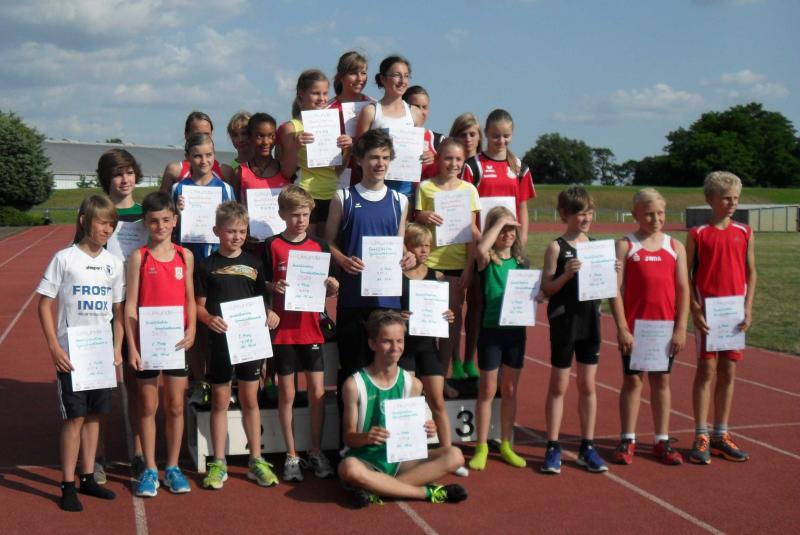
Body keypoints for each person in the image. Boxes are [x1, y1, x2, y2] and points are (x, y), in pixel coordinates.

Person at [37, 195, 124, 511]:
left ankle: (88, 477)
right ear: (85, 221)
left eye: (111, 223)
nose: (108, 229)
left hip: (100, 353)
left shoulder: (114, 264)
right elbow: (44, 305)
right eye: (102, 222)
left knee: (95, 416)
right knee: (74, 418)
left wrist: (117, 346)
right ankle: (67, 484)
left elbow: (118, 311)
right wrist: (54, 346)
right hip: (72, 353)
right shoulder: (64, 258)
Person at [338, 310, 468, 507]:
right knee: (349, 468)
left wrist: (426, 430)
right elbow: (348, 438)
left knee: (455, 455)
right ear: (372, 343)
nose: (395, 348)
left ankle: (378, 489)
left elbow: (410, 434)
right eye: (387, 341)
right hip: (366, 460)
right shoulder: (354, 385)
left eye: (399, 341)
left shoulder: (413, 384)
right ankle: (425, 492)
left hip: (400, 460)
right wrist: (367, 437)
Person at [324, 129, 414, 408]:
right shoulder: (343, 198)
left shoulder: (400, 201)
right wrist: (342, 260)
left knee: (388, 373)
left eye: (385, 157)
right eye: (374, 157)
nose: (380, 163)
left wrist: (409, 257)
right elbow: (328, 242)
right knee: (352, 372)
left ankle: (385, 431)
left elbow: (399, 243)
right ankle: (350, 433)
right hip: (353, 300)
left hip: (388, 303)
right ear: (360, 160)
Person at [195, 201, 280, 489]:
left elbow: (261, 302)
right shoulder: (206, 266)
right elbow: (198, 306)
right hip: (221, 343)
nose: (237, 237)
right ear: (216, 231)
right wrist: (209, 319)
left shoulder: (255, 264)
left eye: (242, 231)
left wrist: (269, 313)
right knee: (219, 401)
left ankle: (256, 459)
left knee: (250, 400)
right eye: (231, 231)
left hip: (250, 342)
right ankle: (218, 462)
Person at [263, 185, 339, 481]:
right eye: (295, 215)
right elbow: (262, 283)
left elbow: (328, 287)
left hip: (312, 331)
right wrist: (272, 288)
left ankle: (316, 451)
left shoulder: (319, 246)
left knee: (317, 394)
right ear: (282, 214)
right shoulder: (271, 245)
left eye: (305, 215)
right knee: (287, 393)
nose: (301, 220)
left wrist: (333, 287)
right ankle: (292, 454)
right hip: (284, 332)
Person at [609, 188, 689, 466]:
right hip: (635, 329)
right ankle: (627, 438)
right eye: (649, 214)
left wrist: (681, 328)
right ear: (636, 214)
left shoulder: (675, 247)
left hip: (664, 329)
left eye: (660, 213)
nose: (656, 219)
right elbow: (614, 289)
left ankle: (661, 440)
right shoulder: (625, 245)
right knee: (633, 381)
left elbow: (683, 290)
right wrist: (622, 327)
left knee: (661, 381)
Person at [124, 192, 197, 496]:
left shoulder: (184, 256)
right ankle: (151, 468)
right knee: (147, 405)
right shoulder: (138, 257)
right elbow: (130, 305)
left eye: (166, 220)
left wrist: (192, 328)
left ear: (175, 221)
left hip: (176, 343)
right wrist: (132, 346)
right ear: (145, 223)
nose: (160, 226)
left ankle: (173, 467)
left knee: (176, 405)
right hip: (148, 344)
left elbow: (190, 298)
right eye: (154, 221)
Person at [686, 171, 757, 464]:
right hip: (709, 312)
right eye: (726, 198)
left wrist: (748, 307)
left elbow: (751, 272)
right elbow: (686, 276)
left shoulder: (744, 232)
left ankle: (721, 434)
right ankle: (701, 434)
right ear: (710, 199)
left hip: (734, 313)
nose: (732, 203)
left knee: (729, 372)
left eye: (736, 198)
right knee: (706, 371)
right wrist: (694, 307)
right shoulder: (698, 234)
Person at [540, 187, 608, 474]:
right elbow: (547, 288)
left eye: (589, 212)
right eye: (580, 213)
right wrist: (566, 274)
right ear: (565, 215)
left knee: (588, 385)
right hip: (565, 322)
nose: (586, 218)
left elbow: (606, 290)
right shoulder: (556, 247)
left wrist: (612, 272)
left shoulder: (596, 247)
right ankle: (553, 446)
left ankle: (587, 446)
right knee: (559, 385)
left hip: (590, 321)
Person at [96, 148, 148, 481]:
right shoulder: (98, 213)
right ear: (107, 179)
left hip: (140, 307)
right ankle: (98, 454)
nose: (125, 179)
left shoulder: (147, 213)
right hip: (104, 308)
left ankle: (140, 453)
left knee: (138, 384)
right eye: (117, 174)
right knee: (100, 384)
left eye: (129, 172)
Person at [414, 138, 480, 393]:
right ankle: (427, 376)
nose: (453, 164)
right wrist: (423, 215)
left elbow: (471, 232)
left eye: (458, 159)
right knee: (427, 320)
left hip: (456, 265)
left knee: (451, 319)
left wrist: (469, 268)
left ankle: (441, 375)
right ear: (439, 159)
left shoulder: (469, 190)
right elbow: (416, 221)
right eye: (448, 158)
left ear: (464, 162)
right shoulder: (426, 187)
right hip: (429, 263)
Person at [399, 224, 465, 475]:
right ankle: (408, 455)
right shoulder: (398, 275)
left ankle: (449, 454)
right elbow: (388, 310)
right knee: (407, 402)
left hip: (427, 347)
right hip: (404, 349)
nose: (424, 250)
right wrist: (398, 316)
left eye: (427, 245)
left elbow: (443, 312)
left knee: (437, 400)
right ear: (407, 247)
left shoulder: (437, 277)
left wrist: (448, 316)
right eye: (419, 245)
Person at [468, 207, 530, 471]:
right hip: (491, 330)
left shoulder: (522, 262)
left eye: (511, 229)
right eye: (502, 229)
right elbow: (482, 248)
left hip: (515, 332)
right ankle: (481, 446)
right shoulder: (486, 259)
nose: (507, 234)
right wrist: (501, 220)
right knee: (487, 390)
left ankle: (506, 444)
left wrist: (537, 296)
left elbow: (531, 292)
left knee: (510, 390)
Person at [278, 69, 352, 235]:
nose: (322, 98)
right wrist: (296, 146)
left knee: (326, 246)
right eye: (315, 93)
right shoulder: (291, 128)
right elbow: (286, 172)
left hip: (332, 194)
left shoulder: (333, 124)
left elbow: (336, 172)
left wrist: (348, 149)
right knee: (307, 246)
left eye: (325, 93)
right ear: (301, 94)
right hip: (304, 194)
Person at [355, 55, 433, 201]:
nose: (402, 81)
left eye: (406, 76)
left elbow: (420, 147)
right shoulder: (371, 111)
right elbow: (358, 151)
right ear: (383, 79)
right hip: (374, 189)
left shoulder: (415, 113)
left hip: (405, 191)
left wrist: (427, 155)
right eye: (397, 75)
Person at [449, 113, 484, 380]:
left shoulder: (483, 164)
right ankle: (455, 360)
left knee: (477, 306)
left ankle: (470, 358)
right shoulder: (452, 167)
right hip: (455, 244)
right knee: (455, 307)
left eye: (473, 134)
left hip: (481, 243)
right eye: (463, 134)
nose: (469, 140)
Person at [234, 112, 290, 259]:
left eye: (271, 136)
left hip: (281, 246)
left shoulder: (285, 171)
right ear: (250, 138)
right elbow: (235, 209)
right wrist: (244, 234)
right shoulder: (241, 172)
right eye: (260, 136)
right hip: (252, 246)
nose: (266, 142)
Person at [327, 50, 372, 187]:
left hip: (367, 180)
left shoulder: (374, 106)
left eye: (363, 73)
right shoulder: (326, 109)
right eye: (353, 73)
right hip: (334, 180)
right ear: (341, 77)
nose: (360, 78)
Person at [160, 111, 233, 192]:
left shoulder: (225, 171)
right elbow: (161, 200)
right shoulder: (175, 170)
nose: (202, 138)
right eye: (197, 134)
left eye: (206, 134)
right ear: (186, 135)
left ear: (212, 134)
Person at [403, 85, 443, 180]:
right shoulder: (395, 136)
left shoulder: (438, 140)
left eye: (424, 107)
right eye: (416, 106)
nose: (421, 112)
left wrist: (436, 159)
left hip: (427, 189)